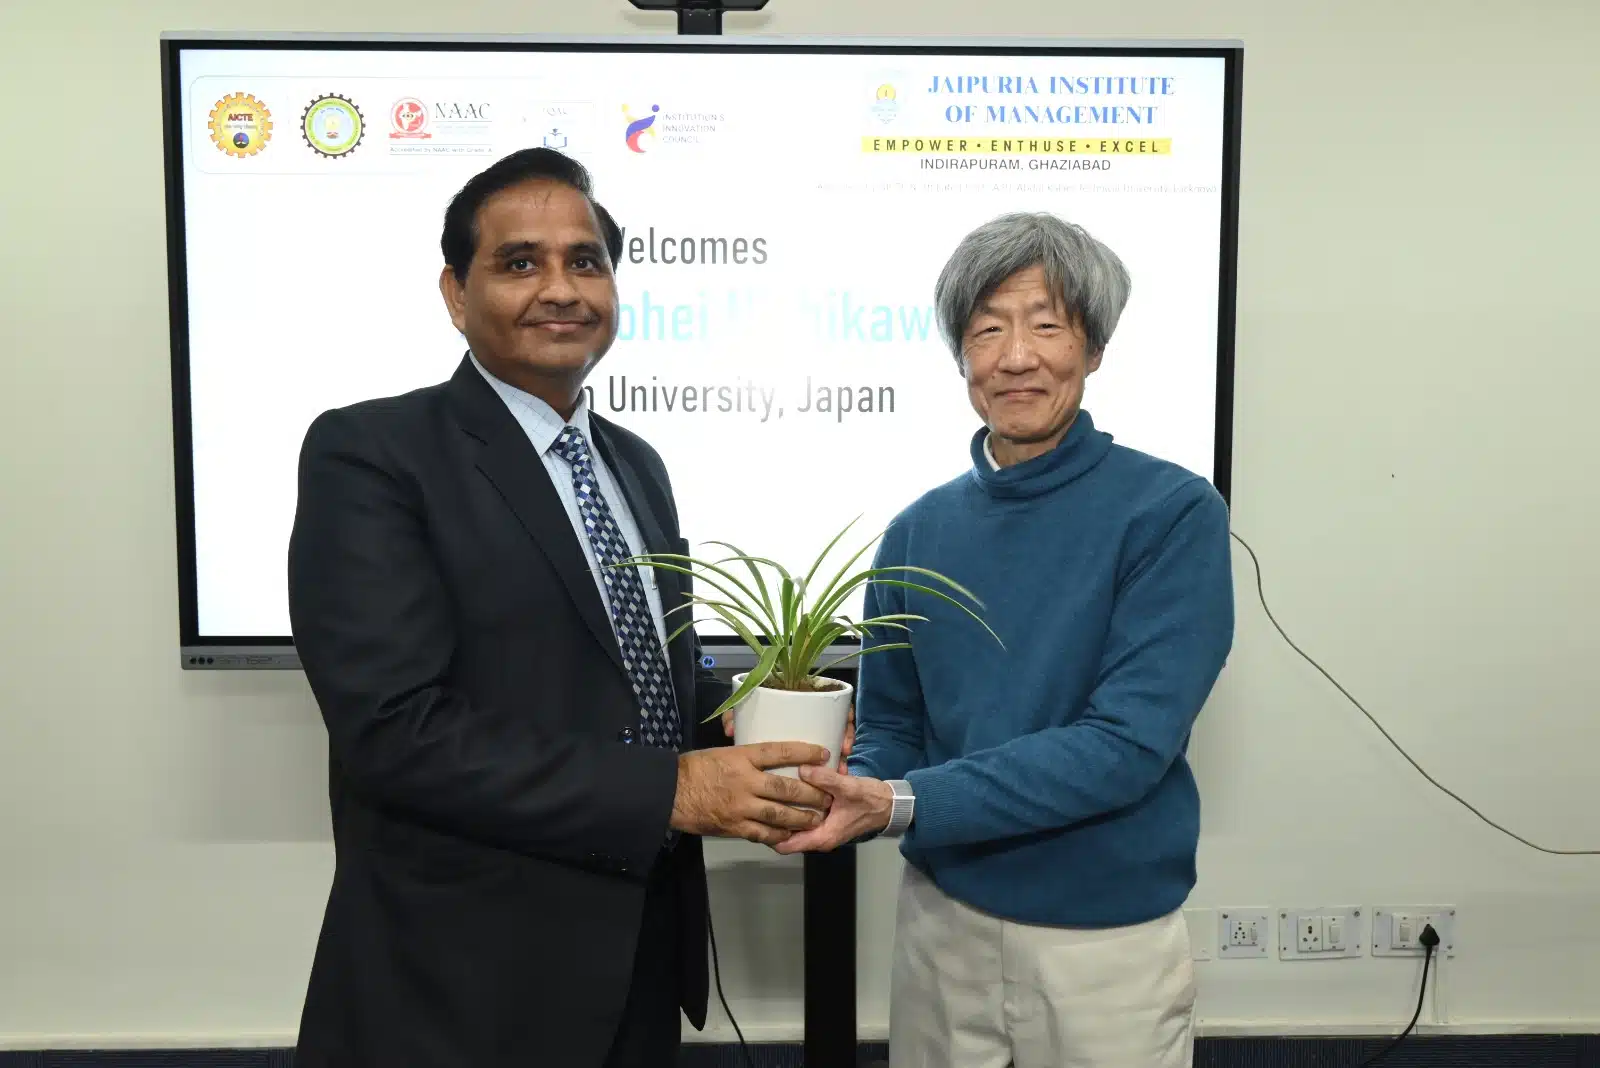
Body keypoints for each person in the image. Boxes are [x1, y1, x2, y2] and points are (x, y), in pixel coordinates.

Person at [287, 147, 833, 1068]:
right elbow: (394, 729)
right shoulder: (373, 453)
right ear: (456, 294)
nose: (561, 289)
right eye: (519, 262)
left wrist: (752, 719)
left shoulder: (637, 464)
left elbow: (640, 679)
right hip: (459, 991)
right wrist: (674, 790)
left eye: (586, 261)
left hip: (638, 965)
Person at [779, 212, 1235, 1067]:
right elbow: (894, 726)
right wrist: (837, 784)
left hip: (1104, 943)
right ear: (961, 358)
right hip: (941, 926)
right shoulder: (916, 530)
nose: (1016, 356)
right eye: (987, 330)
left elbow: (1126, 746)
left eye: (1047, 325)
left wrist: (901, 802)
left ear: (1094, 350)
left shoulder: (1172, 513)